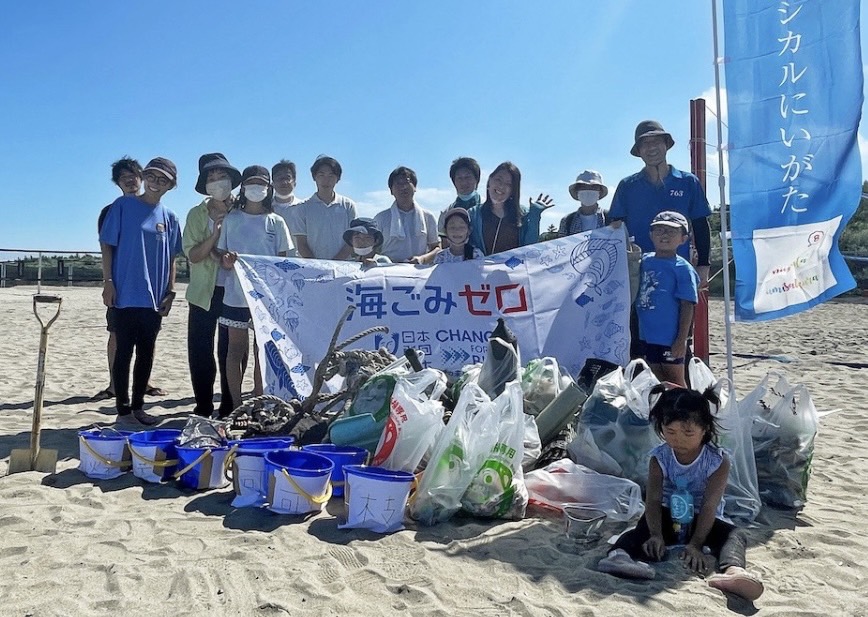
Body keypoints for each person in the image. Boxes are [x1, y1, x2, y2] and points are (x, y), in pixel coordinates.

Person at [597, 386, 765, 603]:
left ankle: (734, 571)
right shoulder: (659, 458)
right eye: (670, 432)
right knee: (641, 530)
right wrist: (656, 534)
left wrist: (696, 544)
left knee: (735, 535)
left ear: (704, 429)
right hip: (668, 516)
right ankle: (619, 556)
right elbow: (653, 500)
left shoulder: (717, 462)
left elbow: (709, 506)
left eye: (688, 433)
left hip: (701, 519)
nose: (678, 440)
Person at [99, 157, 182, 425]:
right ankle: (123, 410)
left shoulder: (170, 217)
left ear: (171, 185)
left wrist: (170, 291)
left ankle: (138, 406)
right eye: (153, 176)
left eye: (163, 180)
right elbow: (107, 245)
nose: (157, 183)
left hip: (154, 298)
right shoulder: (122, 206)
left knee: (146, 353)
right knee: (123, 352)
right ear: (144, 177)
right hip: (124, 294)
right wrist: (108, 281)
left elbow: (172, 258)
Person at [92, 157, 167, 402]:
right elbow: (106, 247)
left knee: (148, 338)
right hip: (121, 286)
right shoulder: (113, 210)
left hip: (149, 289)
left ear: (141, 177)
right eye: (123, 177)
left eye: (133, 175)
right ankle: (115, 384)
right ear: (118, 183)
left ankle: (144, 382)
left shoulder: (156, 210)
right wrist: (108, 282)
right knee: (117, 334)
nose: (129, 180)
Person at [218, 165, 291, 412]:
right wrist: (227, 261)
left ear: (268, 188)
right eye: (251, 183)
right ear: (243, 188)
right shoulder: (232, 219)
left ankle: (260, 403)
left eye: (261, 184)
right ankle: (237, 405)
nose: (256, 188)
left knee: (263, 352)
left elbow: (282, 262)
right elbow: (221, 255)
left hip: (266, 299)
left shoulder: (277, 222)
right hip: (235, 296)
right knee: (234, 351)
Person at [609, 120, 712, 287]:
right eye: (645, 144)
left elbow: (700, 225)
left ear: (666, 145)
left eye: (656, 141)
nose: (651, 148)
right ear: (639, 151)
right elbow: (615, 230)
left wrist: (703, 265)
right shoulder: (627, 186)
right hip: (636, 274)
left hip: (679, 270)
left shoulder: (688, 182)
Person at [183, 153, 242, 418]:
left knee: (232, 350)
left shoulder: (243, 209)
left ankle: (230, 406)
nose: (218, 182)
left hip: (235, 292)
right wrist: (215, 234)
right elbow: (193, 255)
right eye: (212, 178)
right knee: (200, 351)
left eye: (222, 176)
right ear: (205, 185)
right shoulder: (196, 214)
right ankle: (203, 407)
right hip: (203, 292)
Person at [634, 211, 699, 387]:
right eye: (659, 230)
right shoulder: (643, 260)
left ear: (683, 238)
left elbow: (687, 305)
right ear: (651, 235)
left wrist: (681, 340)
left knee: (675, 381)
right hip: (647, 336)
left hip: (670, 338)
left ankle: (685, 406)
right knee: (656, 381)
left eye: (671, 231)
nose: (664, 235)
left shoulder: (682, 268)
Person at [467, 162, 554, 256]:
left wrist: (534, 216)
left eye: (508, 184)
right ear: (489, 182)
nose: (501, 186)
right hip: (479, 265)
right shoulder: (473, 214)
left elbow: (530, 250)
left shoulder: (524, 214)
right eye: (498, 180)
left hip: (515, 265)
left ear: (513, 190)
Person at [294, 155, 356, 260]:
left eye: (331, 176)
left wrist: (334, 264)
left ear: (338, 179)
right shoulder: (302, 208)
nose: (326, 180)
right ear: (314, 177)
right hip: (311, 266)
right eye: (321, 175)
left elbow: (352, 240)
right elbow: (301, 244)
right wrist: (318, 266)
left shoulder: (348, 206)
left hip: (343, 266)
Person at [374, 166, 440, 263]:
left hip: (419, 269)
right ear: (391, 191)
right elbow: (371, 249)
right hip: (388, 269)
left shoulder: (428, 217)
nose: (403, 187)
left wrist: (422, 259)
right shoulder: (381, 218)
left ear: (415, 187)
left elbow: (437, 248)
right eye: (398, 183)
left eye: (407, 182)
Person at [438, 157, 482, 235]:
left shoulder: (489, 208)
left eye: (468, 177)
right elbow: (443, 241)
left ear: (477, 180)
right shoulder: (445, 214)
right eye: (459, 178)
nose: (464, 182)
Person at [559, 169, 609, 236]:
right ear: (577, 191)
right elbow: (561, 242)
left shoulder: (611, 218)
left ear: (600, 192)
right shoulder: (567, 221)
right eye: (583, 187)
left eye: (594, 187)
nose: (588, 190)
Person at [271, 159, 302, 251]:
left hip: (298, 259)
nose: (284, 182)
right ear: (272, 183)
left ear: (295, 182)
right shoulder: (265, 208)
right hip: (271, 258)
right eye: (279, 178)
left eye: (287, 178)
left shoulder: (304, 207)